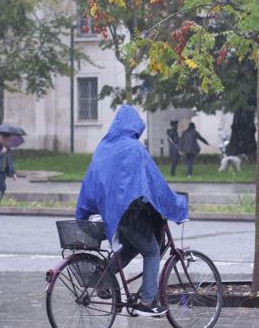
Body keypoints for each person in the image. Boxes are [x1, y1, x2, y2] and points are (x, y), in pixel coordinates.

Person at [76, 105, 188, 316]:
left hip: (112, 216)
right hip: (131, 215)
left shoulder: (104, 147)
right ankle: (147, 301)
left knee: (131, 247)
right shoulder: (134, 149)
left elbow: (90, 182)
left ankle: (102, 280)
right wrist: (177, 206)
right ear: (134, 126)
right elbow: (155, 184)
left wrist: (82, 214)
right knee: (152, 250)